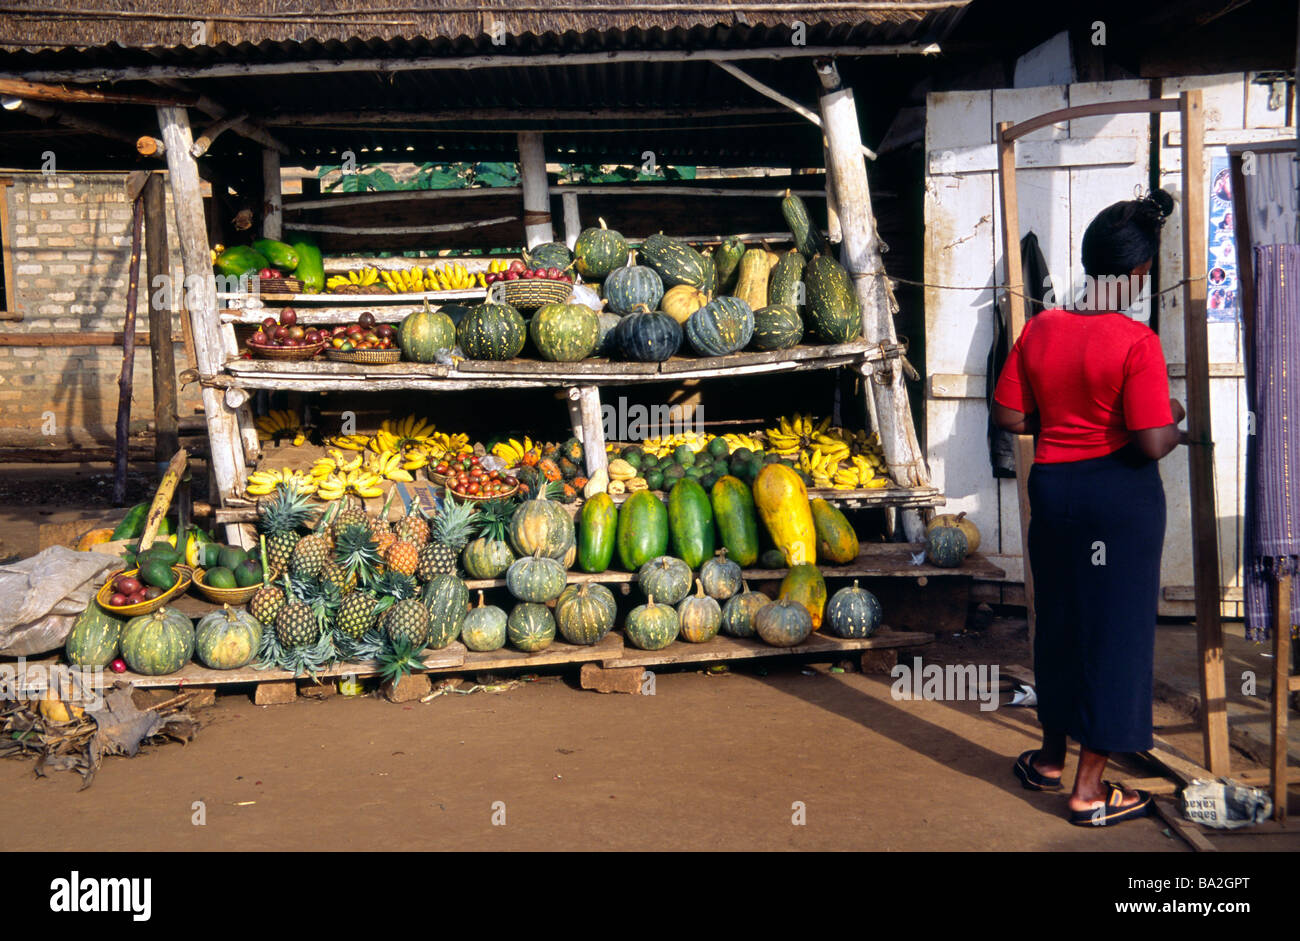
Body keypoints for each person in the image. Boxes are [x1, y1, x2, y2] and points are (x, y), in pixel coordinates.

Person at [992, 190, 1187, 827]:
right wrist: (1174, 415)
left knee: (1063, 622)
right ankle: (1088, 790)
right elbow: (1154, 440)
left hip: (1053, 490)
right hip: (1117, 497)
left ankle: (1050, 759)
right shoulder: (1136, 341)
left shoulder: (1041, 327)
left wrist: (1066, 411)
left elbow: (1012, 416)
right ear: (1135, 275)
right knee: (1116, 633)